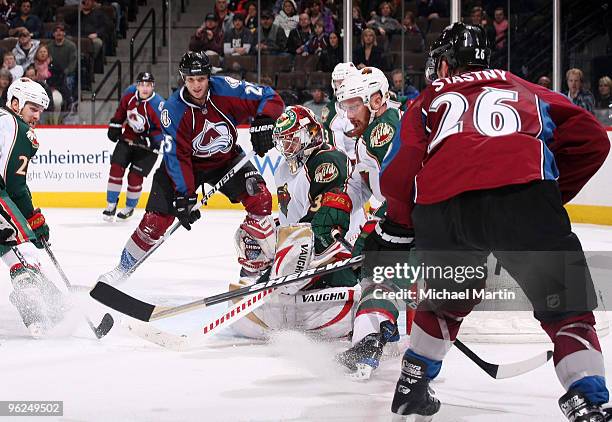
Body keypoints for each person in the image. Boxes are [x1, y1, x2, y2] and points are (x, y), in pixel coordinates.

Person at [372, 23, 610, 420]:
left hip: (442, 207)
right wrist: (546, 198)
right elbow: (592, 138)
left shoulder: (428, 98)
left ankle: (412, 383)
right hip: (525, 199)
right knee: (567, 307)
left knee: (445, 303)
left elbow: (396, 175)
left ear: (445, 64)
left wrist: (402, 225)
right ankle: (587, 398)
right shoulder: (523, 87)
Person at [96, 51, 284, 284]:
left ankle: (253, 272)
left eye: (201, 79)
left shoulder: (226, 88)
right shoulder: (173, 110)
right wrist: (185, 195)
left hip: (225, 160)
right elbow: (177, 156)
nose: (196, 85)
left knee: (261, 198)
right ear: (183, 79)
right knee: (156, 221)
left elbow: (270, 96)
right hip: (185, 167)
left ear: (209, 76)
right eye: (191, 79)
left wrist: (265, 120)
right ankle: (121, 270)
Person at [230, 105, 360, 339]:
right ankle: (273, 294)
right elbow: (293, 218)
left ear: (310, 133)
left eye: (292, 139)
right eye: (283, 141)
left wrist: (280, 264)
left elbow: (322, 223)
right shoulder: (284, 169)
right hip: (304, 247)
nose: (287, 147)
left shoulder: (327, 160)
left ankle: (283, 295)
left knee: (304, 249)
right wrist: (269, 235)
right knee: (254, 236)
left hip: (337, 252)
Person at [333, 66, 403, 379]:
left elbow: (402, 188)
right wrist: (334, 210)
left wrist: (378, 221)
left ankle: (370, 341)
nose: (348, 115)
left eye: (353, 106)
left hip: (415, 213)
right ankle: (383, 330)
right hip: (406, 211)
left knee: (380, 270)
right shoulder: (375, 128)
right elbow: (362, 184)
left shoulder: (382, 132)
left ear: (374, 100)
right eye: (345, 107)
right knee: (372, 266)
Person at [0, 77, 64, 337]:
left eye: (40, 110)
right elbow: (14, 186)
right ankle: (35, 313)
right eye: (33, 108)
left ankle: (56, 303)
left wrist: (31, 218)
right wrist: (32, 220)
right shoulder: (19, 128)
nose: (37, 115)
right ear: (15, 103)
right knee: (23, 248)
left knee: (8, 245)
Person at [103, 72, 165, 221]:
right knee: (116, 168)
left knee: (135, 177)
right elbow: (121, 112)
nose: (145, 88)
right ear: (137, 85)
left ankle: (130, 207)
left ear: (153, 87)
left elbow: (163, 129)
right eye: (142, 85)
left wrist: (150, 141)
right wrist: (116, 125)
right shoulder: (129, 93)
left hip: (148, 147)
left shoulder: (158, 104)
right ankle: (111, 204)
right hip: (128, 139)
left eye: (148, 85)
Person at [320, 62, 358, 162]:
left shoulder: (371, 103)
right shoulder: (328, 111)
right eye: (337, 82)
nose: (340, 87)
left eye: (343, 82)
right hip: (350, 166)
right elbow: (337, 153)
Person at [46, 23, 77, 103]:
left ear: (64, 33)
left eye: (61, 31)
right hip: (53, 74)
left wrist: (65, 72)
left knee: (67, 82)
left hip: (67, 73)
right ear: (53, 34)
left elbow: (73, 63)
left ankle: (69, 103)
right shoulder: (49, 46)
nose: (58, 33)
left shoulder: (71, 46)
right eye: (56, 31)